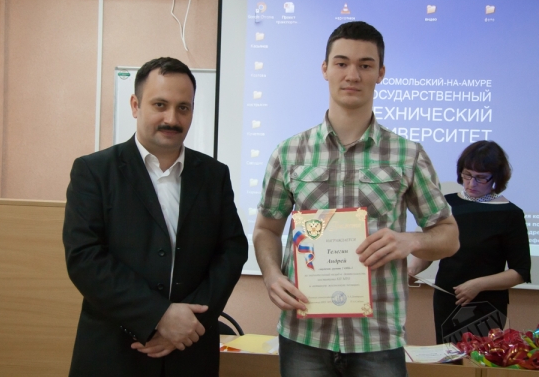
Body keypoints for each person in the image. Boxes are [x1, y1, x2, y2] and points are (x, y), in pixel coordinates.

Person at [253, 21, 460, 377]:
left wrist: (410, 240)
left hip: (377, 337)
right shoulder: (288, 153)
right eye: (342, 63)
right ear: (325, 69)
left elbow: (449, 236)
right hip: (304, 334)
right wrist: (271, 275)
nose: (352, 75)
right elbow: (266, 230)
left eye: (365, 65)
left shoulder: (407, 154)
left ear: (380, 73)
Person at [62, 57, 248, 377]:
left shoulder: (214, 175)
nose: (171, 119)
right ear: (135, 105)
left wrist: (188, 322)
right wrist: (159, 315)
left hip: (190, 353)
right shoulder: (94, 172)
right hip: (114, 354)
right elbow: (85, 258)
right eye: (160, 105)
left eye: (183, 107)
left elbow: (232, 251)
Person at [409, 141, 531, 344]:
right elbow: (432, 247)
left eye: (481, 178)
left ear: (496, 177)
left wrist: (478, 285)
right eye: (467, 175)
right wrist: (411, 270)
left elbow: (520, 271)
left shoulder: (510, 214)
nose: (471, 183)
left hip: (485, 304)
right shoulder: (446, 204)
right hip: (447, 300)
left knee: (477, 359)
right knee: (449, 358)